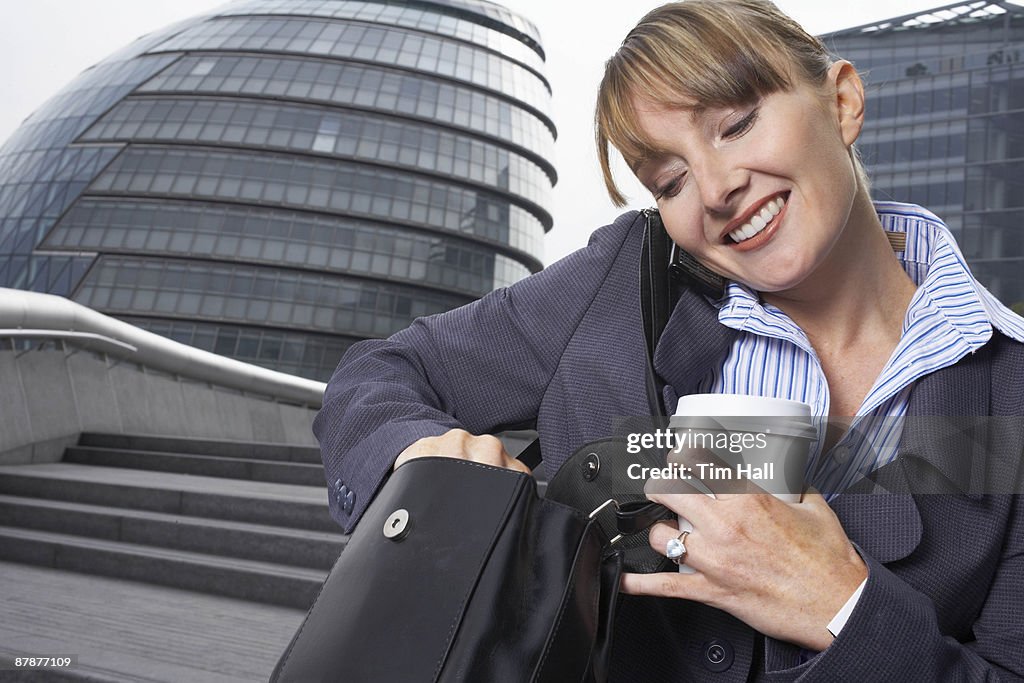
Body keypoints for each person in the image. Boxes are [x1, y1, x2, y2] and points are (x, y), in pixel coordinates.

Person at [314, 0, 1024, 679]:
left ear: (841, 102)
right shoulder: (628, 283)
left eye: (737, 123)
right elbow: (377, 376)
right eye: (670, 179)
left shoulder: (1008, 390)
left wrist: (841, 604)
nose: (715, 189)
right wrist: (426, 463)